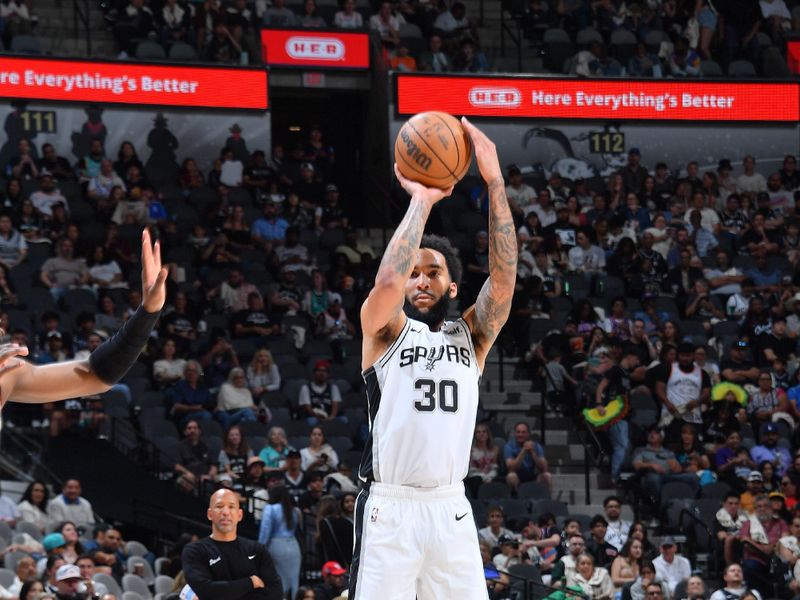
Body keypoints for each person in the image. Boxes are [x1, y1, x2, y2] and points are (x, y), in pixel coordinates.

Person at [349, 119, 516, 600]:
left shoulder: (472, 335)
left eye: (433, 272)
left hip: (450, 509)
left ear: (453, 287)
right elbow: (385, 285)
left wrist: (495, 183)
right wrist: (421, 200)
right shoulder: (383, 331)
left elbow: (503, 282)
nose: (421, 281)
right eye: (414, 273)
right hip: (390, 508)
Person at [183, 488, 282, 600]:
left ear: (239, 515)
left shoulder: (257, 550)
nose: (225, 512)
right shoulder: (195, 551)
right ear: (210, 514)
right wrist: (250, 582)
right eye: (219, 506)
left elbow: (275, 593)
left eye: (231, 507)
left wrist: (224, 591)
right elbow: (205, 591)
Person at [258, 485, 301, 598]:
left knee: (278, 579)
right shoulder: (294, 510)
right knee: (293, 580)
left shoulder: (270, 508)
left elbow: (265, 531)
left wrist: (259, 548)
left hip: (277, 545)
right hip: (294, 546)